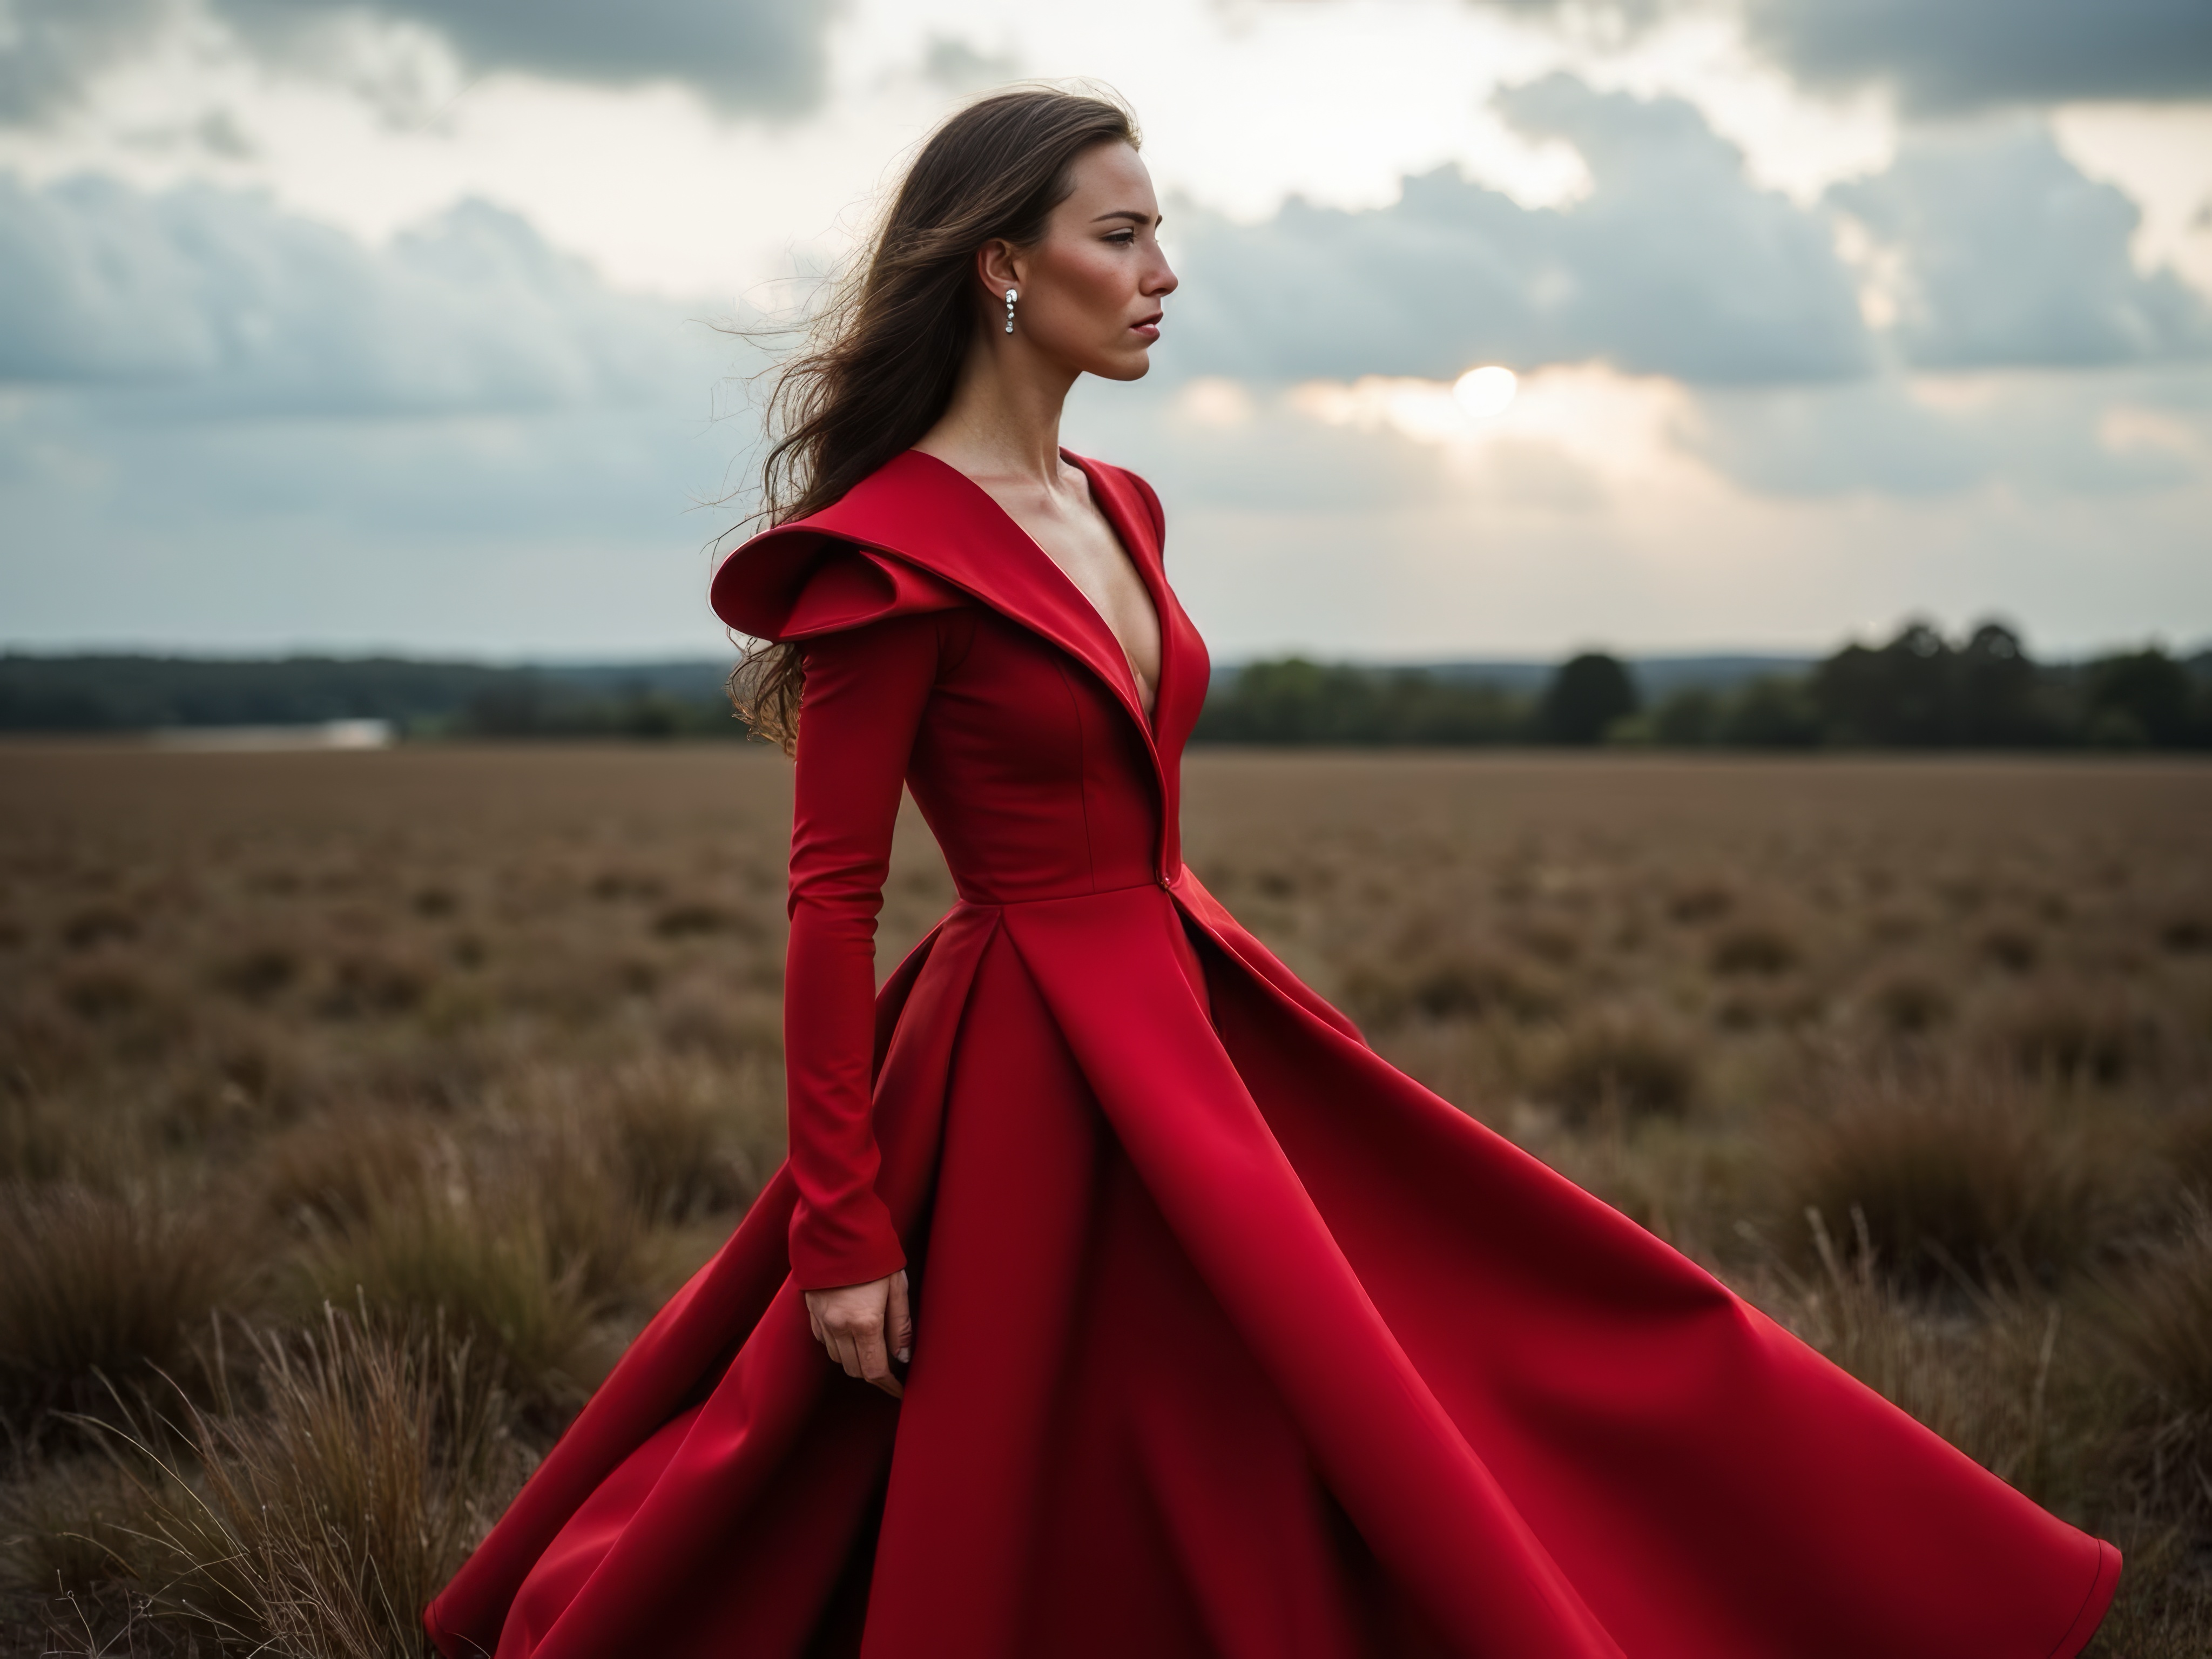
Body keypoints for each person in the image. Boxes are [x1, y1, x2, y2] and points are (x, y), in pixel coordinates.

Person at [424, 85, 2120, 1659]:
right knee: (1039, 1424)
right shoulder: (885, 554)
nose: (1167, 273)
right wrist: (845, 1226)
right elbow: (832, 902)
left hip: (1200, 1004)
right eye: (1124, 235)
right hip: (1024, 1057)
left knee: (1512, 1311)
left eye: (1161, 233)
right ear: (1004, 268)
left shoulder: (1127, 504)